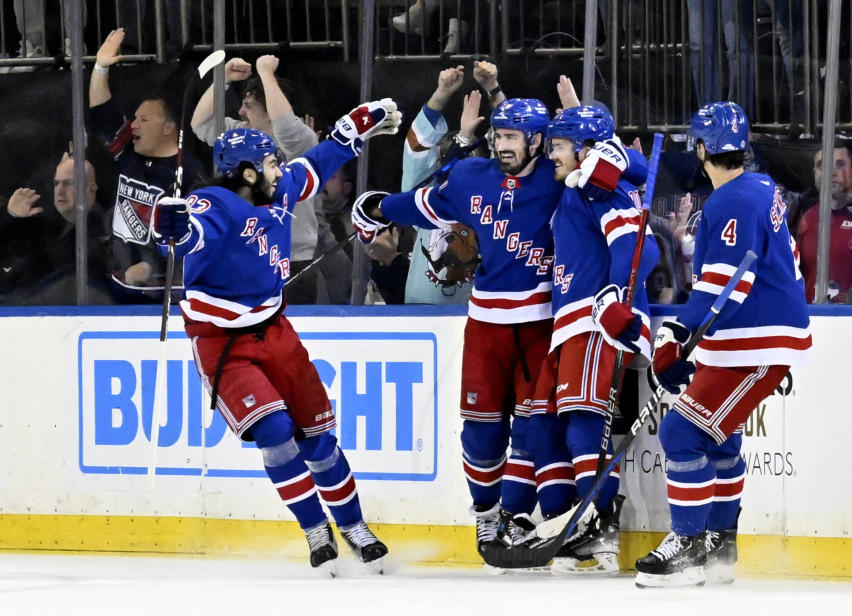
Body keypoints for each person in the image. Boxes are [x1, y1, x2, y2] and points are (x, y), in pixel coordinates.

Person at [353, 95, 647, 554]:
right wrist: (379, 208)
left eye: (511, 137)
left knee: (537, 430)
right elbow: (424, 205)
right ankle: (489, 517)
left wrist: (616, 154)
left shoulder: (560, 180)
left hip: (541, 323)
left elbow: (635, 171)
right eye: (497, 136)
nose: (501, 146)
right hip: (486, 322)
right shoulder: (473, 176)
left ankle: (542, 518)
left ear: (537, 140)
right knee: (482, 429)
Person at [150, 97, 401, 574]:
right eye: (268, 163)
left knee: (320, 441)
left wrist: (354, 127)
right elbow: (194, 233)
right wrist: (173, 229)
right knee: (276, 432)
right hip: (224, 343)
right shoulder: (213, 203)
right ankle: (313, 527)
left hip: (276, 331)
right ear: (245, 173)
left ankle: (353, 525)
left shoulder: (278, 189)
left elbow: (316, 163)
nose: (277, 169)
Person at [634, 101, 812, 588]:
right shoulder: (759, 187)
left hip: (755, 340)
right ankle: (720, 542)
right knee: (720, 437)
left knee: (680, 435)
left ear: (700, 148)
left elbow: (722, 284)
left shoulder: (731, 200)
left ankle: (689, 547)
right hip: (744, 337)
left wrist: (676, 336)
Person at [526, 105, 660, 574]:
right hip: (569, 321)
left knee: (584, 420)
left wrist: (618, 304)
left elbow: (643, 248)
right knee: (543, 426)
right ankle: (568, 526)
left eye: (559, 147)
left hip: (597, 319)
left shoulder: (599, 186)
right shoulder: (579, 185)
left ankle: (598, 522)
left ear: (585, 150)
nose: (550, 156)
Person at [191, 55, 349, 304]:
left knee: (287, 328)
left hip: (291, 255)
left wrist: (266, 74)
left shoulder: (301, 138)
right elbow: (201, 124)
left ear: (269, 109)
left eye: (249, 105)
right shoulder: (240, 136)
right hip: (244, 250)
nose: (241, 111)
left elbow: (284, 125)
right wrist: (222, 79)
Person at [89, 28, 203, 303]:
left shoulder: (188, 173)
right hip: (117, 287)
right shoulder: (129, 153)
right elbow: (102, 114)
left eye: (144, 120)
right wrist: (101, 67)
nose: (134, 124)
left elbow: (197, 239)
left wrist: (153, 267)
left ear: (168, 127)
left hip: (163, 298)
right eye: (134, 118)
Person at [399, 63, 493, 305]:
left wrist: (493, 88)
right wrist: (440, 94)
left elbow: (519, 151)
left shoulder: (496, 202)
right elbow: (416, 147)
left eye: (469, 160)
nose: (459, 169)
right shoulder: (426, 199)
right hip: (422, 311)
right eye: (451, 158)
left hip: (479, 312)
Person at [0, 152, 110, 304]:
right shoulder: (40, 219)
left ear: (91, 189)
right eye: (56, 183)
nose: (59, 190)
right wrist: (10, 215)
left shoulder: (101, 232)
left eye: (69, 183)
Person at [796, 144, 852, 302]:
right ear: (815, 174)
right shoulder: (803, 218)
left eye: (840, 164)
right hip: (812, 318)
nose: (831, 172)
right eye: (822, 166)